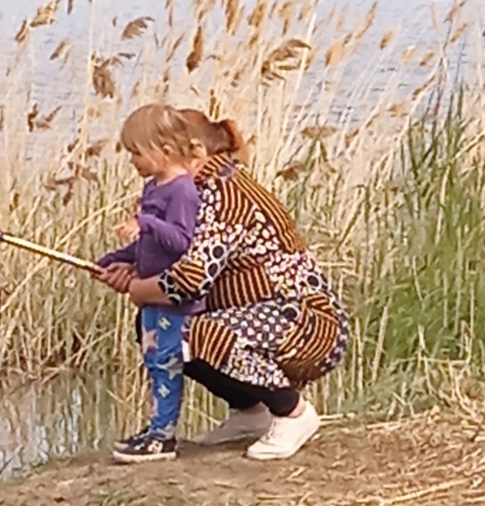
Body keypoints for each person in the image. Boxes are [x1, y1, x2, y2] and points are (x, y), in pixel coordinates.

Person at [98, 107, 349, 460]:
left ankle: (292, 412)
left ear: (187, 150)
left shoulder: (223, 194)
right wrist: (127, 263)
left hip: (306, 324)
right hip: (266, 315)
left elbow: (190, 280)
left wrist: (138, 288)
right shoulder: (193, 187)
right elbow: (175, 252)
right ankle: (251, 413)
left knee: (185, 333)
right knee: (156, 325)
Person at [95, 104, 202, 462]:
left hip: (172, 300)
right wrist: (119, 258)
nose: (132, 161)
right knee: (154, 361)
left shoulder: (183, 191)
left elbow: (181, 241)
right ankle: (157, 427)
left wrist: (146, 223)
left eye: (137, 153)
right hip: (151, 300)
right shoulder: (152, 187)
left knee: (168, 362)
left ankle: (164, 435)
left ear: (165, 151)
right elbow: (149, 245)